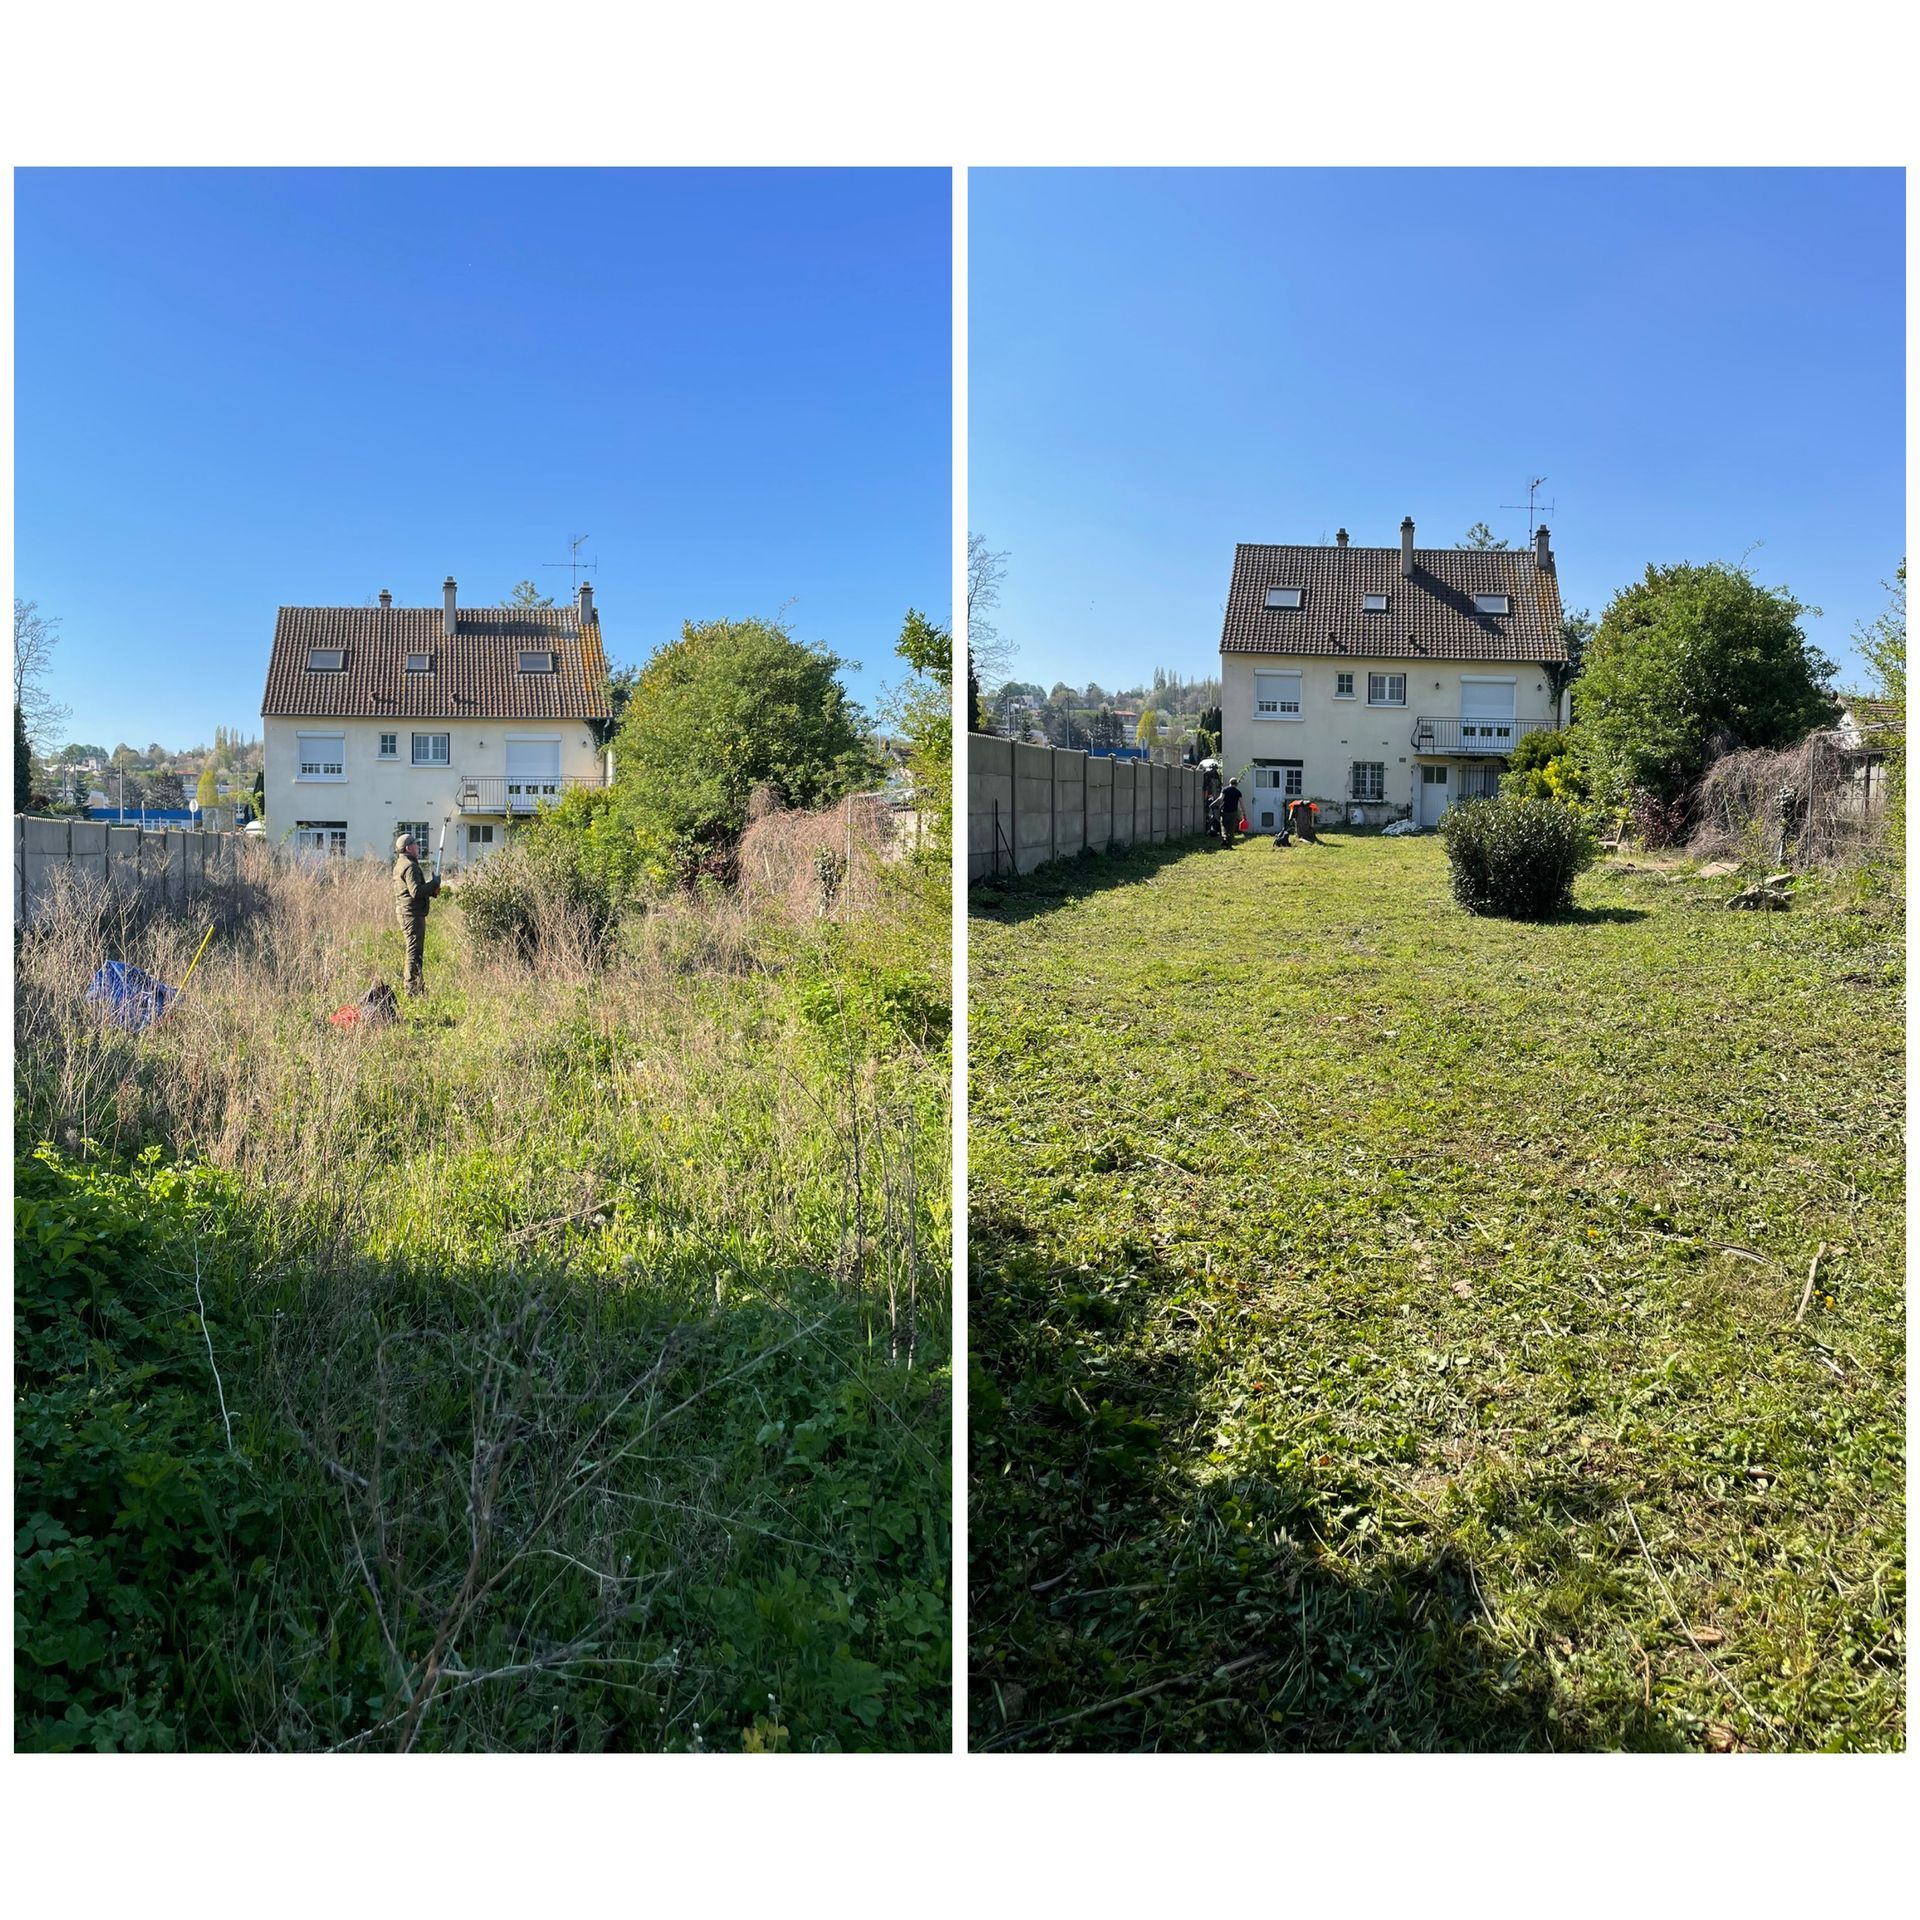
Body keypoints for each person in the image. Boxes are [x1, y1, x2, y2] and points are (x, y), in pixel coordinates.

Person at [392, 831, 440, 994]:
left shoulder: (401, 863)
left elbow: (413, 889)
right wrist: (433, 884)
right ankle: (412, 988)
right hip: (411, 914)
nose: (418, 847)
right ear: (408, 848)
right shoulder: (410, 866)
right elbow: (416, 891)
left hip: (408, 912)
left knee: (415, 950)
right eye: (415, 844)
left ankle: (416, 985)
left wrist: (431, 891)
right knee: (414, 951)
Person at [1217, 775, 1243, 846]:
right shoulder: (1238, 792)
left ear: (1229, 783)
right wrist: (1244, 814)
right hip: (1233, 812)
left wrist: (1213, 803)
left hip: (1225, 811)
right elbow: (1241, 804)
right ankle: (1230, 844)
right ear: (1236, 784)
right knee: (1231, 828)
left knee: (1223, 825)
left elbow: (1220, 798)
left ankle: (1225, 838)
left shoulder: (1225, 789)